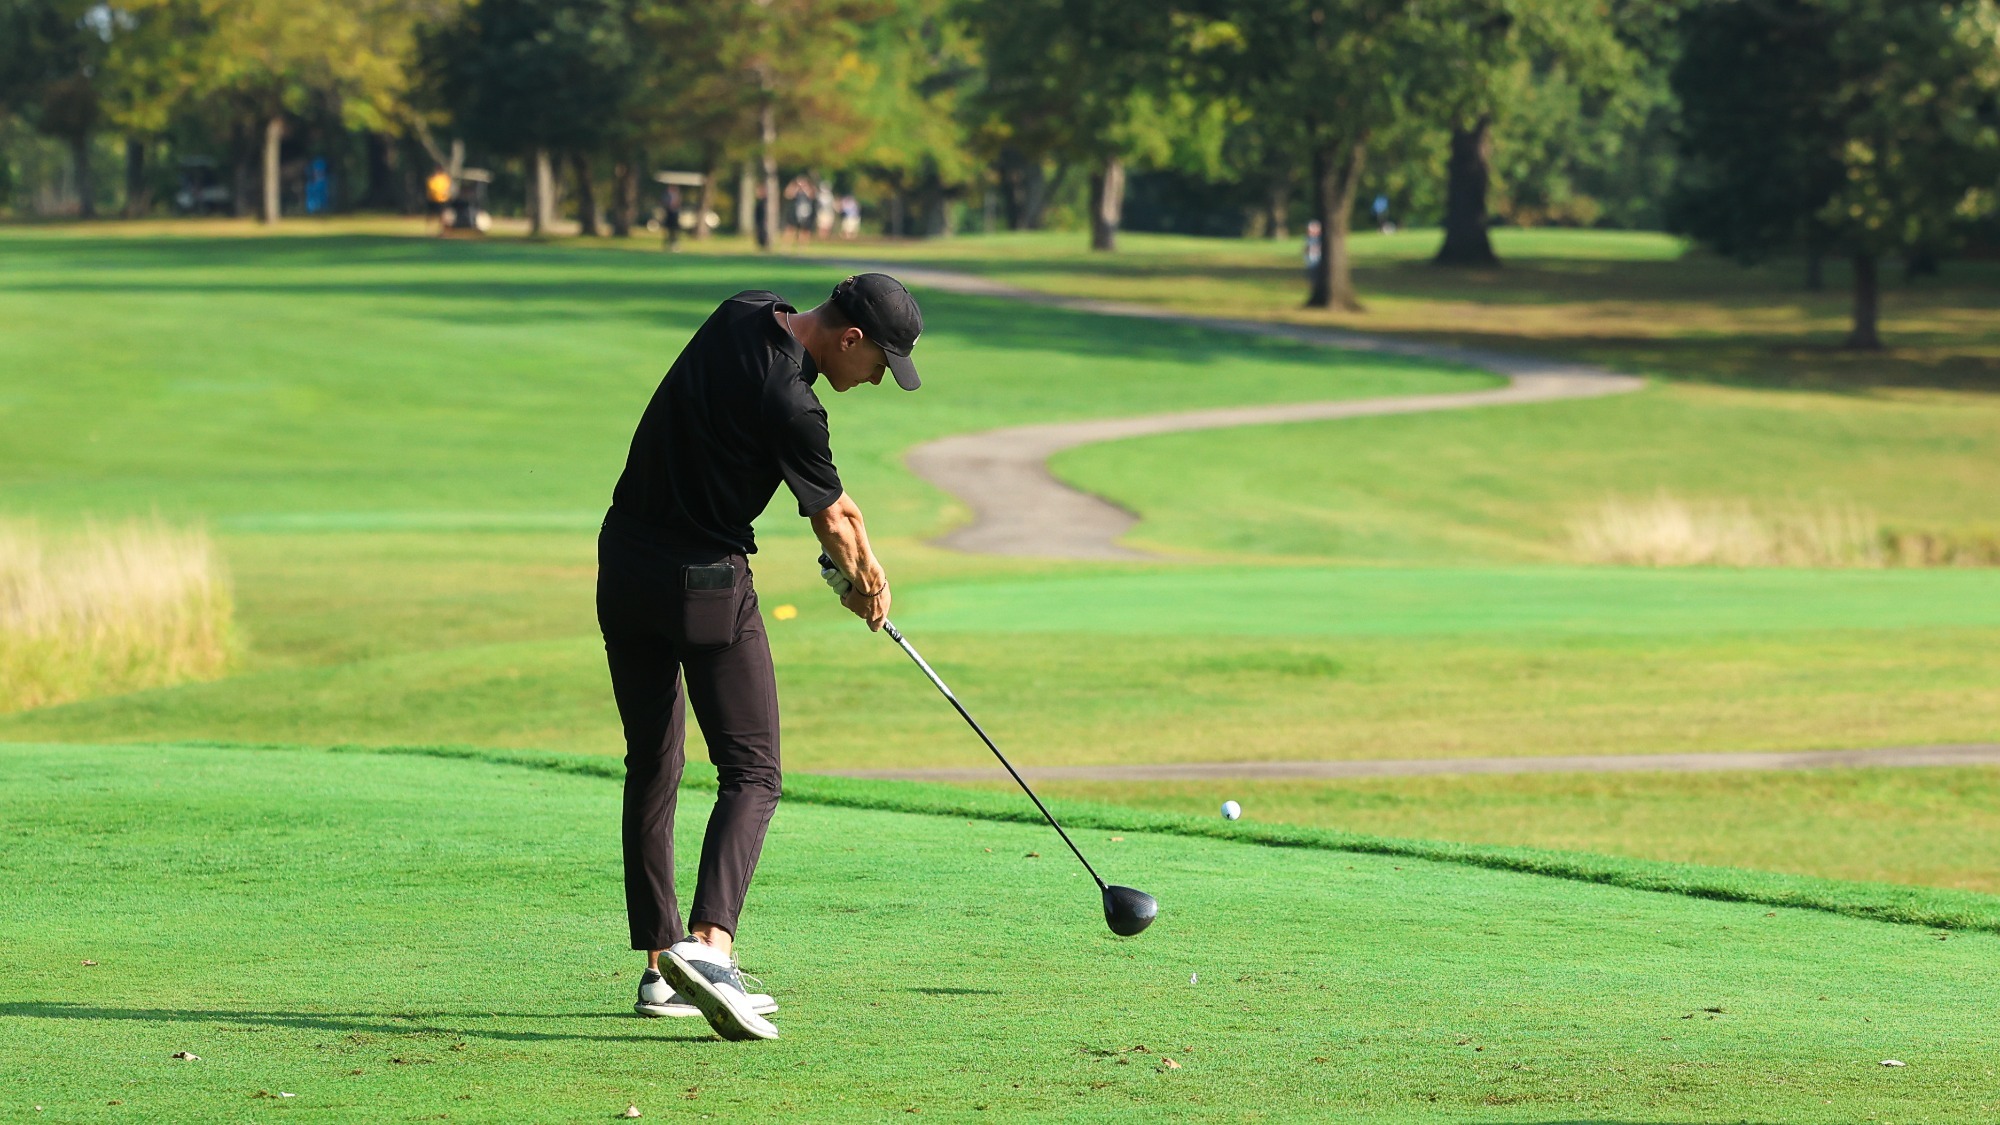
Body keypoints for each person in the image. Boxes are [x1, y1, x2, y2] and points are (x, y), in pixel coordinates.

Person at [598, 273, 926, 1042]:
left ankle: (660, 967)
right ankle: (710, 949)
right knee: (753, 768)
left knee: (652, 762)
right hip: (704, 583)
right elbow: (834, 517)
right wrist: (863, 583)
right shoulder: (795, 404)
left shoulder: (738, 313)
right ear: (851, 339)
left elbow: (835, 505)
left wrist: (856, 557)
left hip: (622, 564)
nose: (879, 378)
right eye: (881, 362)